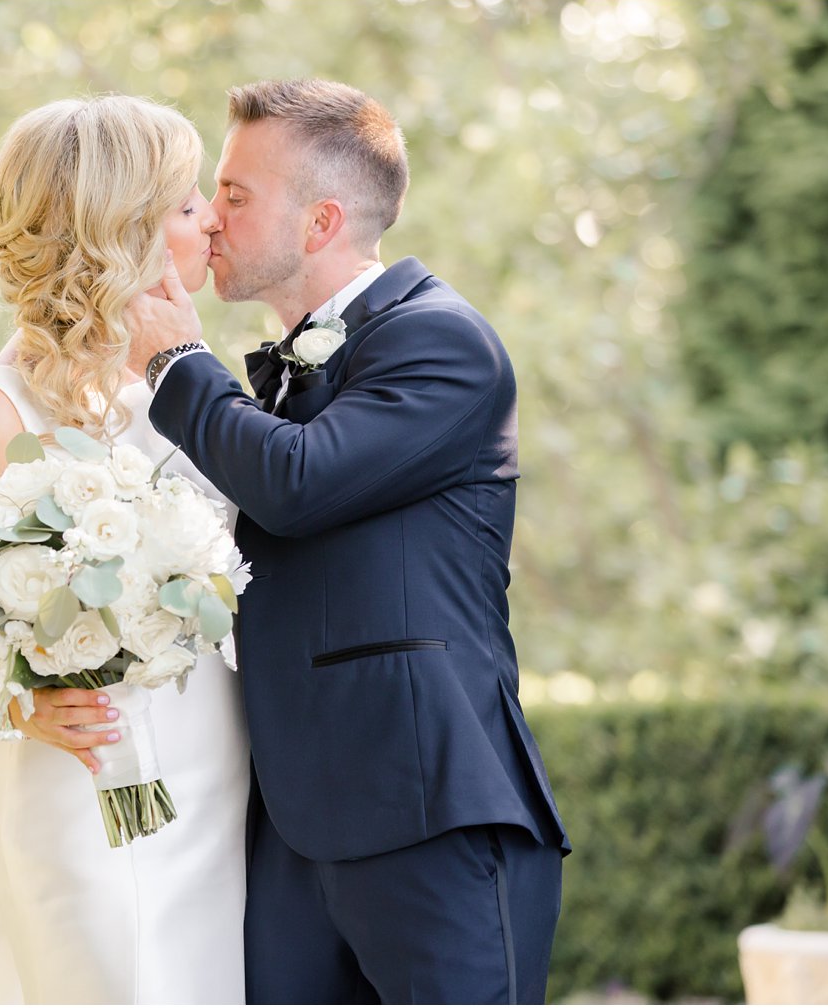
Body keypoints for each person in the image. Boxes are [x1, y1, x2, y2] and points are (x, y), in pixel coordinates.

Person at [125, 78, 571, 1004]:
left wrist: (176, 361)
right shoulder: (278, 380)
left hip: (427, 816)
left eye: (237, 196)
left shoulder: (444, 342)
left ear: (321, 221)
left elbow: (298, 484)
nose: (209, 221)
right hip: (286, 830)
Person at [0, 95, 249, 1005]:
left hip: (213, 768)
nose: (211, 216)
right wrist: (21, 706)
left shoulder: (196, 384)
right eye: (183, 205)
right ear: (119, 230)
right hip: (79, 780)